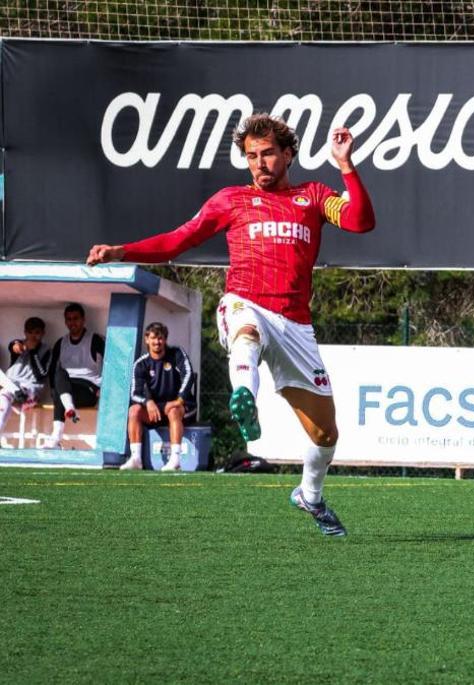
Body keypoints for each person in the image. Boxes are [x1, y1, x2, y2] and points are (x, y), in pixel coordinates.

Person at [87, 113, 376, 536]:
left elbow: (360, 221)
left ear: (288, 154)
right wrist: (121, 251)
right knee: (246, 331)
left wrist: (345, 164)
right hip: (245, 301)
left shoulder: (313, 196)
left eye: (268, 153)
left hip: (295, 324)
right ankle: (245, 397)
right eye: (251, 156)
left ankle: (310, 496)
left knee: (325, 433)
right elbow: (178, 240)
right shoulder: (231, 200)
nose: (259, 163)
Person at [120, 322, 197, 472]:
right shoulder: (141, 364)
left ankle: (175, 460)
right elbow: (134, 393)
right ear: (146, 339)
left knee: (173, 411)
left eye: (160, 338)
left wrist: (179, 400)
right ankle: (136, 459)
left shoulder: (177, 354)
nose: (157, 342)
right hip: (156, 409)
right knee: (134, 411)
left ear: (165, 339)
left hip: (181, 406)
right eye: (153, 338)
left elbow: (188, 376)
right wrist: (148, 402)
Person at [42, 303, 105, 449]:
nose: (72, 322)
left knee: (60, 392)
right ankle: (69, 408)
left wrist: (104, 388)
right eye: (69, 319)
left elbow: (112, 363)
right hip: (66, 388)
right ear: (65, 321)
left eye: (76, 318)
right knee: (59, 374)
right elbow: (52, 370)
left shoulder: (95, 340)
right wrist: (53, 390)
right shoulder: (61, 343)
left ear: (83, 320)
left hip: (88, 389)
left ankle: (56, 438)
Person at [0, 317, 53, 441]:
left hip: (31, 388)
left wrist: (33, 352)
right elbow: (13, 346)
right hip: (11, 386)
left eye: (37, 332)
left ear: (43, 333)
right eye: (29, 332)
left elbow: (41, 374)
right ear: (25, 333)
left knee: (10, 394)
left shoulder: (47, 350)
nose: (33, 336)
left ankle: (16, 394)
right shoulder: (20, 344)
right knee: (3, 398)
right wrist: (16, 346)